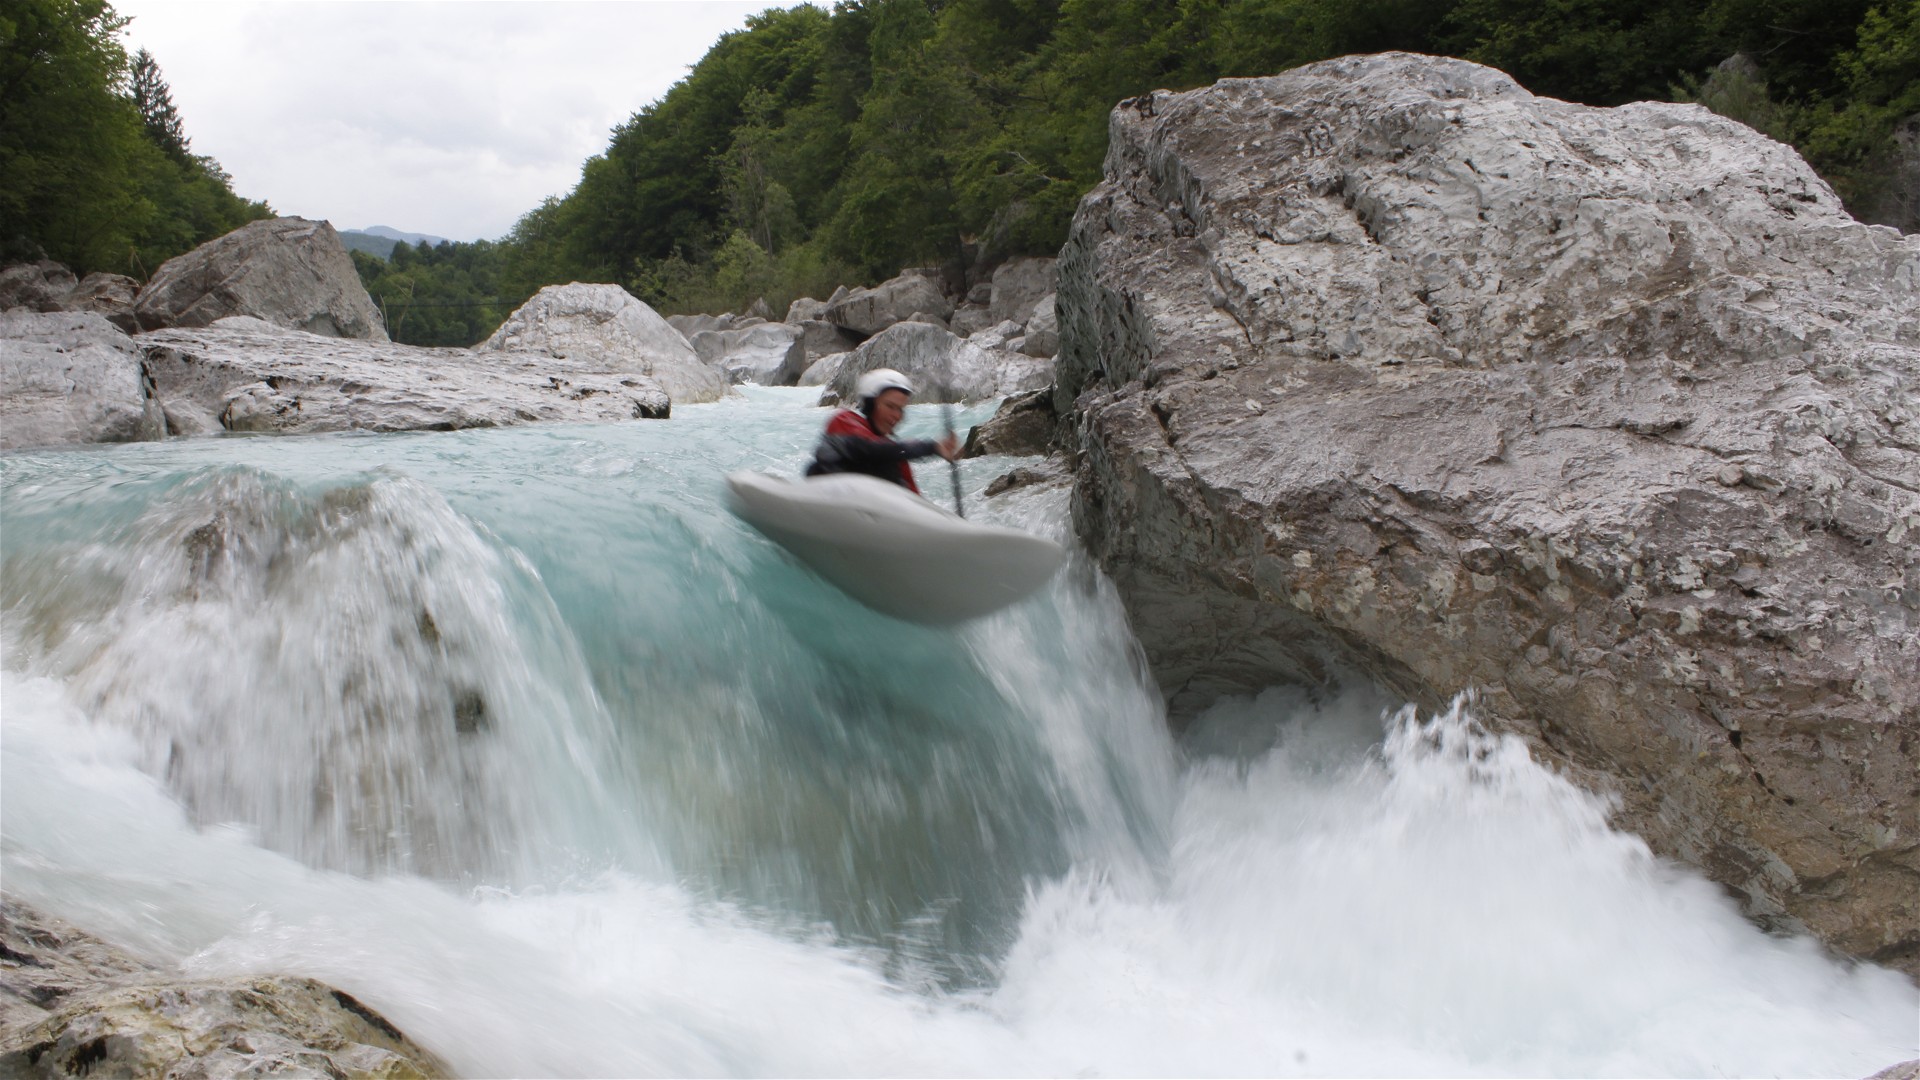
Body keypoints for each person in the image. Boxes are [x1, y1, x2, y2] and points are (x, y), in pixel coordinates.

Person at [806, 368, 959, 494]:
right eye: (890, 406)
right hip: (830, 497)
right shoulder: (844, 421)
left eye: (900, 409)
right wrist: (931, 447)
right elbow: (869, 449)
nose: (896, 416)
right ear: (870, 405)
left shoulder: (896, 457)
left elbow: (914, 501)